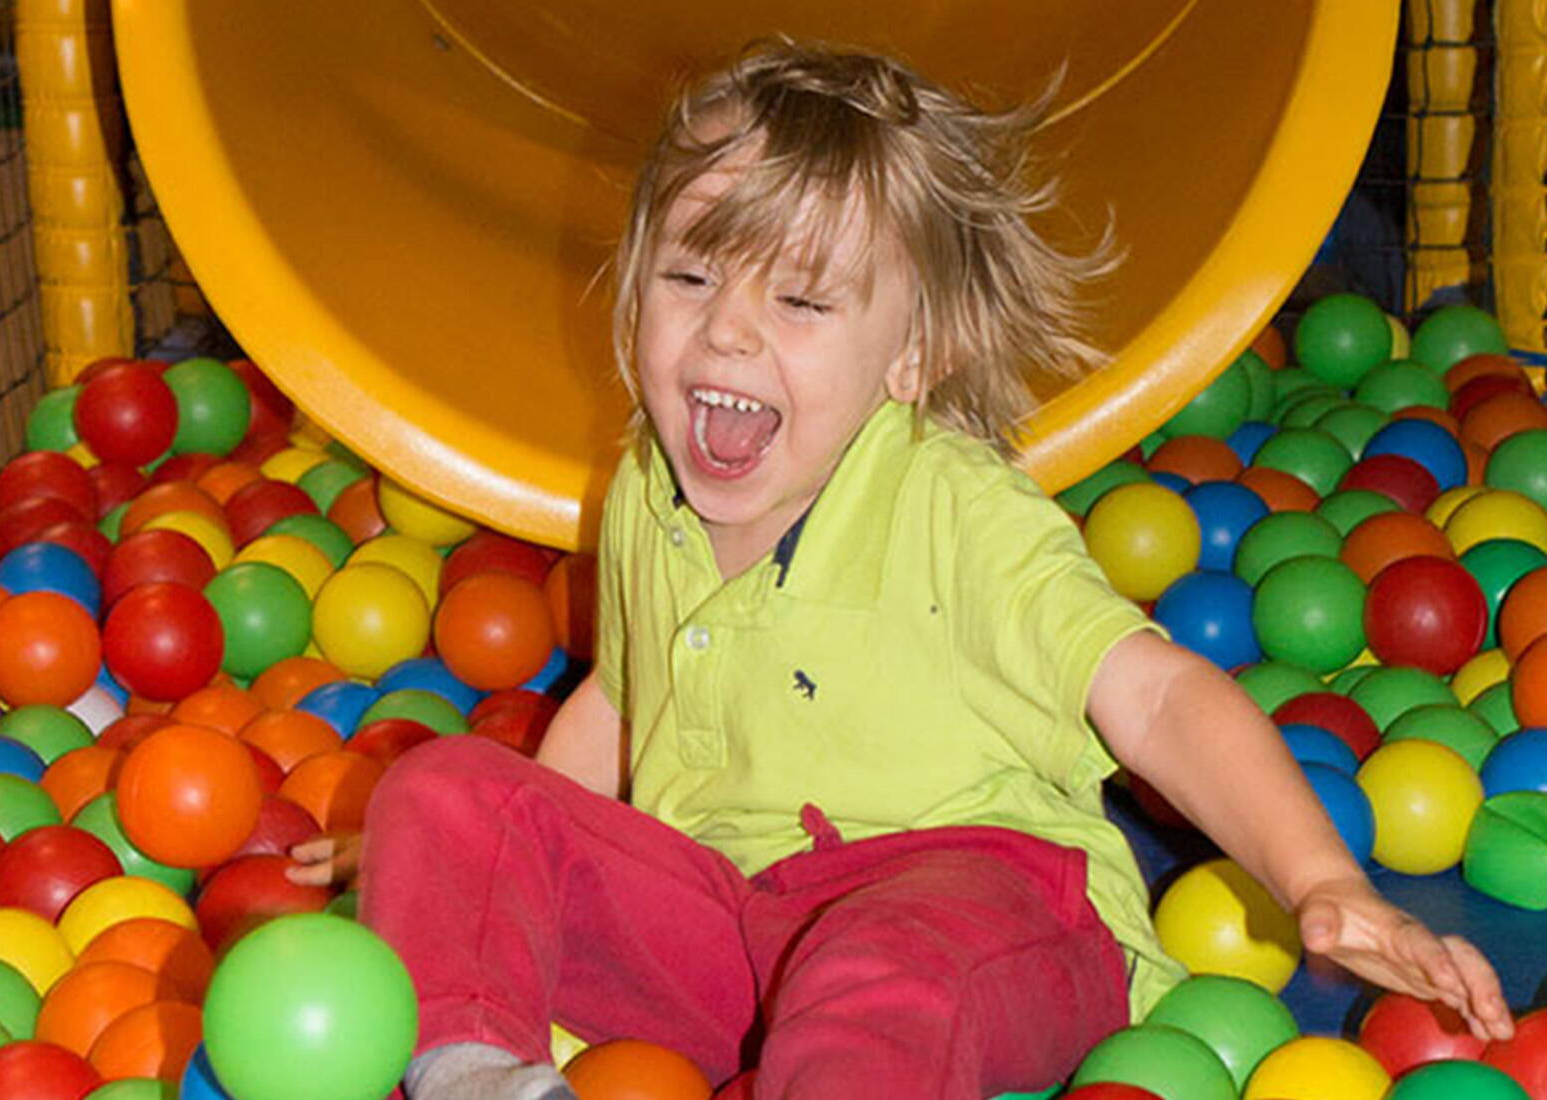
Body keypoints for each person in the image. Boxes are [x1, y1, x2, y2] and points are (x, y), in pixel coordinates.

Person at [291, 39, 1514, 1100]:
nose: (726, 328)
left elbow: (1148, 690)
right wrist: (467, 886)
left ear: (909, 357)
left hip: (985, 907)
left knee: (870, 969)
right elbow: (618, 709)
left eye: (801, 299)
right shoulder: (646, 492)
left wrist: (1317, 876)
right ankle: (477, 1069)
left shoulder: (947, 501)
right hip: (736, 924)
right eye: (689, 275)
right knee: (442, 786)